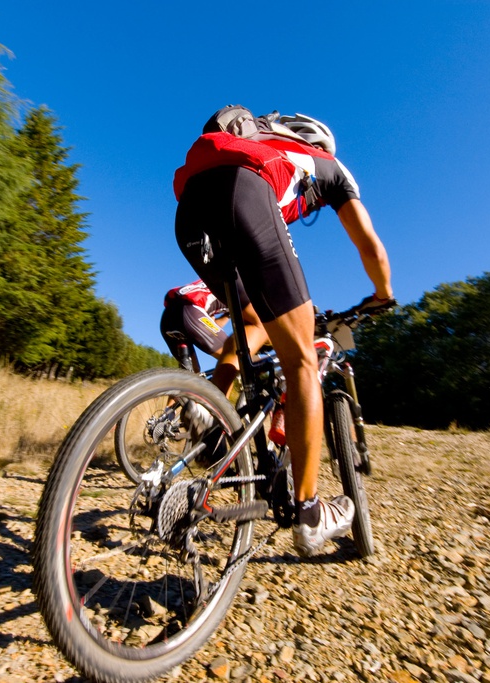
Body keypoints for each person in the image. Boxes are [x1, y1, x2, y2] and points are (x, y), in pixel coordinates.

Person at [173, 107, 394, 557]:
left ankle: (208, 407)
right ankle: (309, 513)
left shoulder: (263, 146)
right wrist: (383, 293)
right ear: (319, 144)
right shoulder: (328, 167)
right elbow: (368, 244)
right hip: (243, 192)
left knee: (253, 321)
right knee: (302, 360)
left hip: (190, 208)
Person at [160, 278, 230, 373]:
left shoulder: (214, 281)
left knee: (193, 372)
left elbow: (213, 326)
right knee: (233, 357)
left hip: (168, 316)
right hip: (191, 310)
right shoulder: (242, 292)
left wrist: (228, 315)